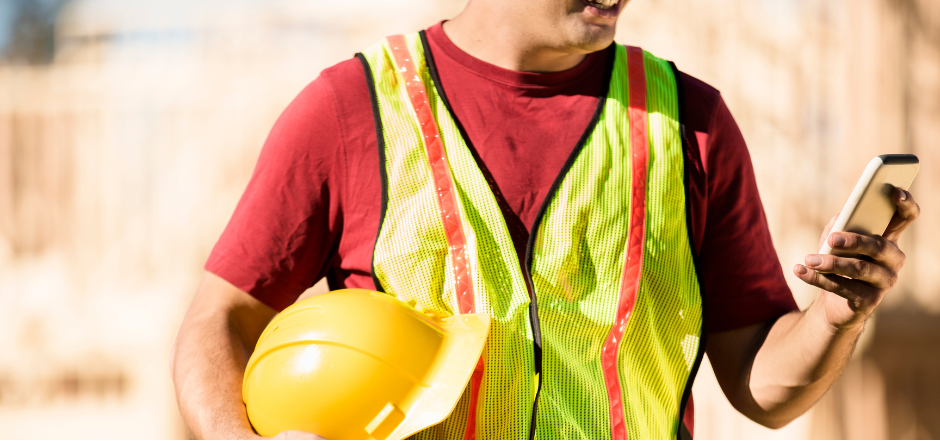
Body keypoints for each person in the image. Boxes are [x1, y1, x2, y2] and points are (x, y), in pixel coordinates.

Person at [169, 0, 921, 439]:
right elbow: (218, 321)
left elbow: (762, 386)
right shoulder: (349, 111)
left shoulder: (691, 123)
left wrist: (832, 316)